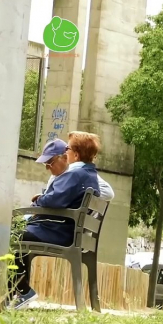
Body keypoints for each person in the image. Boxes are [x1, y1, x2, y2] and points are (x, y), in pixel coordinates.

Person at [8, 132, 103, 309]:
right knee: (19, 233)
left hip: (58, 232)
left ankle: (20, 291)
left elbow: (54, 200)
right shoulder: (89, 174)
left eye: (68, 148)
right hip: (66, 230)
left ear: (76, 154)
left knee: (12, 235)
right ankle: (19, 292)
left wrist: (39, 199)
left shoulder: (76, 174)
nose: (65, 150)